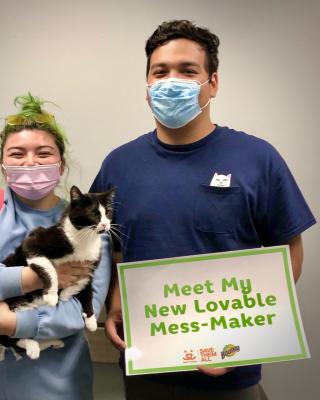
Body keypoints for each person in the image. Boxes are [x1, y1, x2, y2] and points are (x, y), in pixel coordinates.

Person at [90, 20, 316, 400]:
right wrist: (115, 301)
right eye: (160, 72)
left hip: (227, 374)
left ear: (213, 83)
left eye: (187, 70)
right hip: (145, 363)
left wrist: (245, 338)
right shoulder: (119, 164)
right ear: (147, 86)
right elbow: (112, 247)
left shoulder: (257, 159)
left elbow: (289, 250)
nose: (170, 80)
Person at [0, 93, 111, 400]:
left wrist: (15, 322)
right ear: (3, 165)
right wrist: (37, 277)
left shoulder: (90, 222)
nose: (30, 162)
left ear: (61, 164)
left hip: (57, 373)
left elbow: (84, 308)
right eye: (17, 154)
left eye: (43, 153)